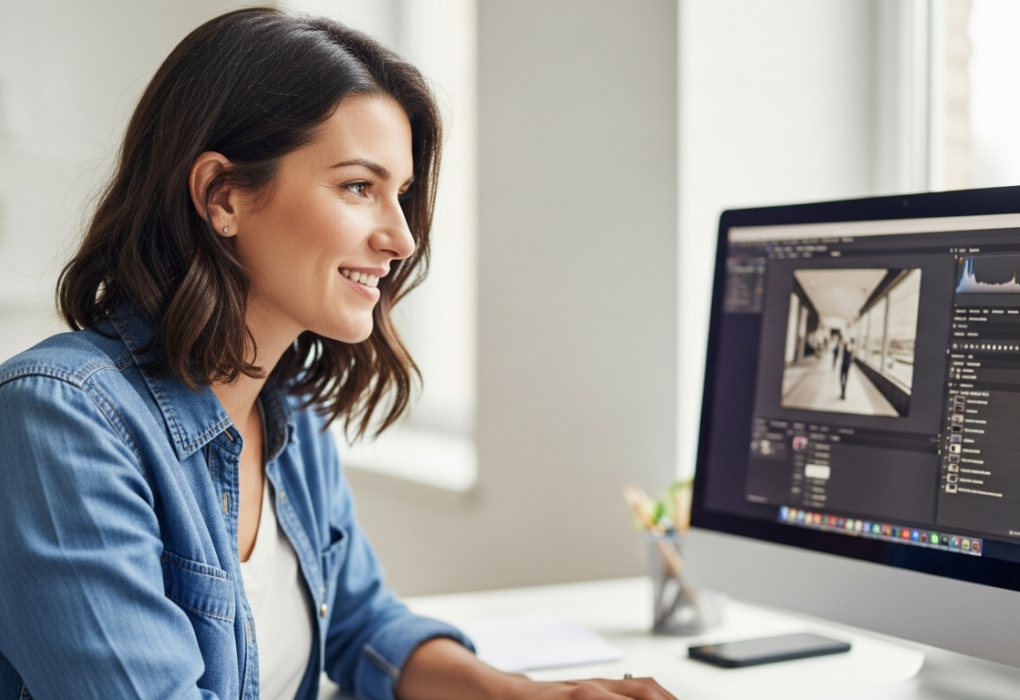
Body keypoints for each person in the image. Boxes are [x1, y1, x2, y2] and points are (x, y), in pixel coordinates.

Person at [0, 7, 678, 700]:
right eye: (359, 187)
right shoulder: (60, 419)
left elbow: (365, 627)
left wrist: (536, 696)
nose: (402, 239)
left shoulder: (285, 405)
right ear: (222, 196)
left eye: (402, 194)